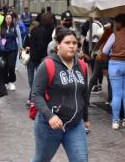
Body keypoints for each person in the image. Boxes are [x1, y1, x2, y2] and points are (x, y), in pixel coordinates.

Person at [31, 28, 90, 162]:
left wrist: (85, 119)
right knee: (41, 159)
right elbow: (36, 94)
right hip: (50, 125)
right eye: (67, 42)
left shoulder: (82, 66)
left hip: (75, 125)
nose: (72, 46)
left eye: (74, 43)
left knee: (81, 159)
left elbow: (84, 95)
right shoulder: (47, 64)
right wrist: (50, 116)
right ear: (58, 44)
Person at [102, 13, 125, 130]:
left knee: (116, 94)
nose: (115, 24)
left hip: (115, 65)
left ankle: (116, 122)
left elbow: (104, 50)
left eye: (116, 22)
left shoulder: (115, 35)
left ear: (121, 23)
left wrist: (112, 54)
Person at [88, 23, 113, 104]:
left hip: (102, 57)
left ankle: (86, 98)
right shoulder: (112, 31)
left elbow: (101, 41)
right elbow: (101, 41)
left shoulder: (109, 30)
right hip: (109, 58)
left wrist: (93, 51)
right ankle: (110, 99)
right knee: (110, 79)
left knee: (94, 77)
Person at [0, 13, 22, 91]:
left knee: (11, 66)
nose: (8, 20)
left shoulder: (15, 27)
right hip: (4, 49)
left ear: (12, 19)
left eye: (9, 18)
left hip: (13, 49)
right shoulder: (2, 27)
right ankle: (5, 81)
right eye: (7, 18)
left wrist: (21, 46)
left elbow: (19, 37)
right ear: (4, 19)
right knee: (4, 66)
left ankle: (12, 81)